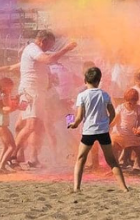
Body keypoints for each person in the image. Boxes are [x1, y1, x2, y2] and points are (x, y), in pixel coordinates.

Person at [14, 30, 78, 168]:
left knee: (70, 127)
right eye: (49, 46)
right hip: (49, 101)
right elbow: (49, 60)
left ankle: (67, 154)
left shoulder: (65, 69)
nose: (50, 50)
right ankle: (48, 155)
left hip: (63, 104)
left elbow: (75, 83)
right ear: (42, 41)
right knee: (44, 128)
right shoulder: (43, 59)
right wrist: (66, 48)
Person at [67, 67, 129, 193]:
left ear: (85, 80)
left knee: (81, 159)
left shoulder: (82, 96)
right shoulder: (104, 94)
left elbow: (79, 117)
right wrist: (107, 124)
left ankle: (76, 188)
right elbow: (112, 113)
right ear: (99, 80)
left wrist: (73, 124)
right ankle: (124, 188)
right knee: (112, 161)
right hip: (103, 131)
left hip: (88, 131)